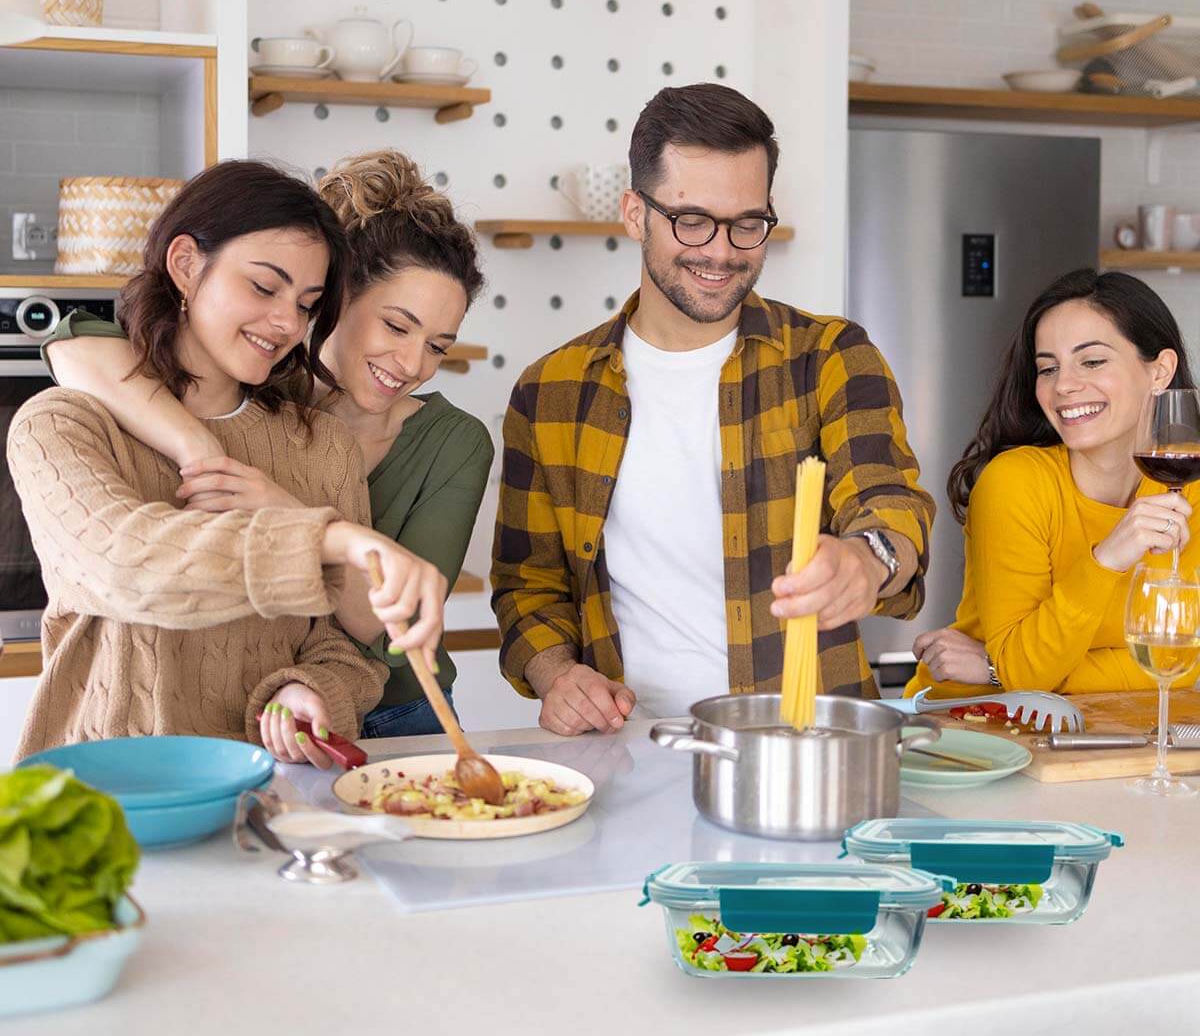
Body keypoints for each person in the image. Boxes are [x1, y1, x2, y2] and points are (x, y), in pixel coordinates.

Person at [492, 83, 935, 735]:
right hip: (628, 749)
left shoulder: (831, 356)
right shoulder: (550, 391)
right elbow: (528, 587)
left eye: (747, 223)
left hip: (805, 748)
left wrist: (869, 559)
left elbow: (890, 500)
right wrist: (557, 675)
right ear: (635, 213)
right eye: (692, 220)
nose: (722, 252)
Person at [40, 151, 492, 738]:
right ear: (334, 299)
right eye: (396, 326)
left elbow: (378, 628)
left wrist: (291, 514)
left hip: (400, 707)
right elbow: (76, 340)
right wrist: (198, 446)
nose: (412, 364)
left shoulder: (444, 443)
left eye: (438, 347)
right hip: (255, 710)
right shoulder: (250, 389)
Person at [909, 268, 1200, 697]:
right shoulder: (1015, 483)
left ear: (1160, 371)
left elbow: (1180, 663)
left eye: (1093, 361)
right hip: (976, 732)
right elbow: (1026, 675)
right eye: (1047, 369)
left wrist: (993, 666)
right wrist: (1107, 560)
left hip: (1120, 735)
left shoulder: (1187, 488)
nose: (1064, 385)